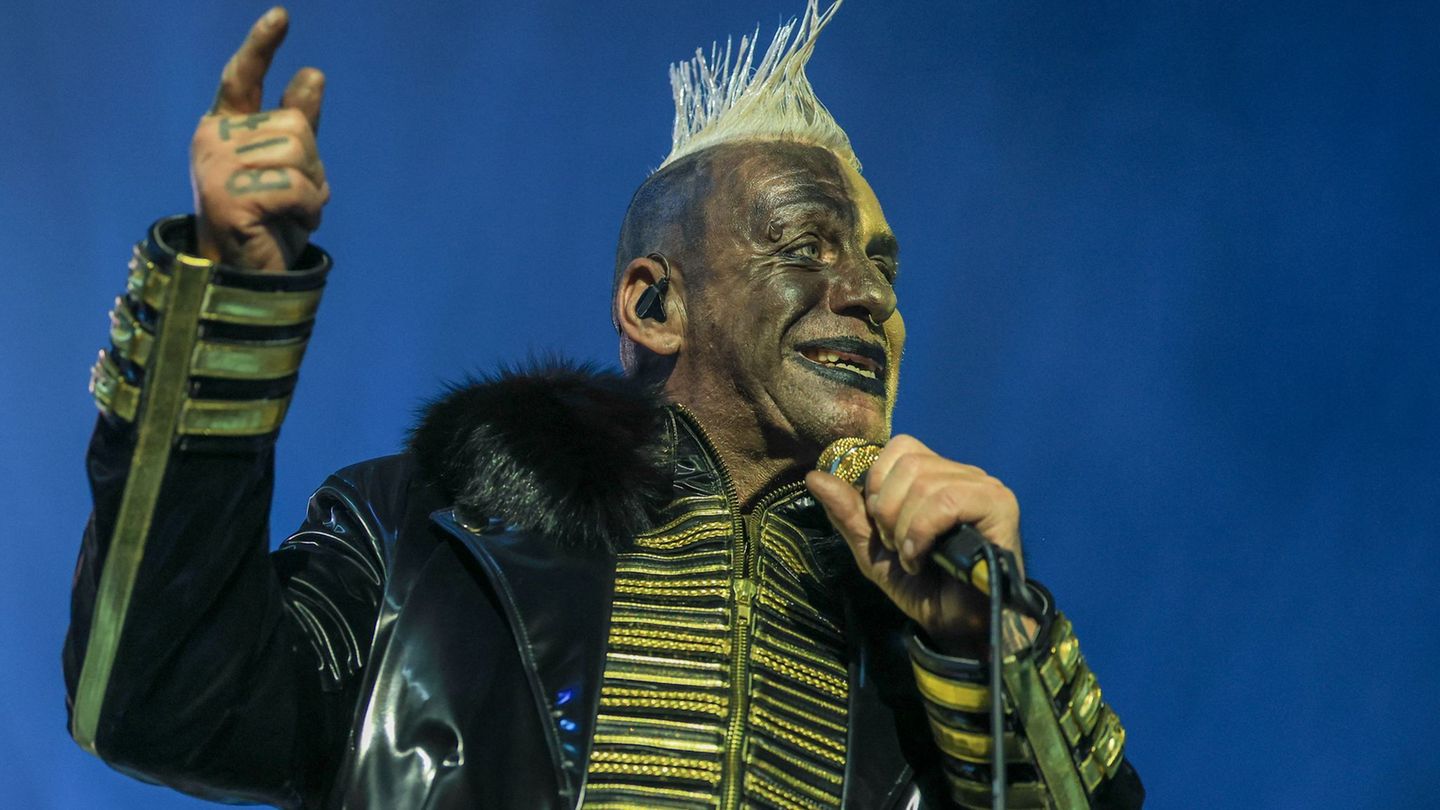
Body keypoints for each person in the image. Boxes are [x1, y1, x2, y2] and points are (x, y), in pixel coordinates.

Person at [64, 3, 1144, 808]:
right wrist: (228, 298)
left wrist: (985, 653)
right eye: (802, 245)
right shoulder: (425, 540)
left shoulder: (921, 636)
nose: (863, 294)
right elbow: (160, 697)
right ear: (655, 301)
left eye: (880, 268)